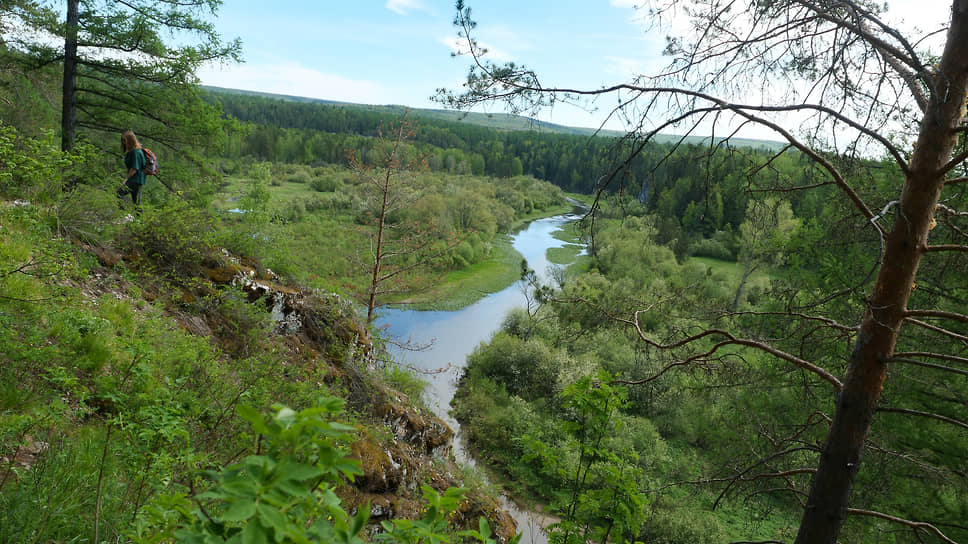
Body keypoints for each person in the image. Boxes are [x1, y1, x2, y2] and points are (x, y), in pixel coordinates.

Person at [119, 130, 146, 208]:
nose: (123, 142)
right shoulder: (132, 152)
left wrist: (126, 179)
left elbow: (134, 168)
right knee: (136, 202)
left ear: (130, 140)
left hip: (136, 179)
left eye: (125, 140)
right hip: (136, 179)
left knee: (120, 192)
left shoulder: (135, 152)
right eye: (122, 140)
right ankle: (137, 219)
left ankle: (124, 215)